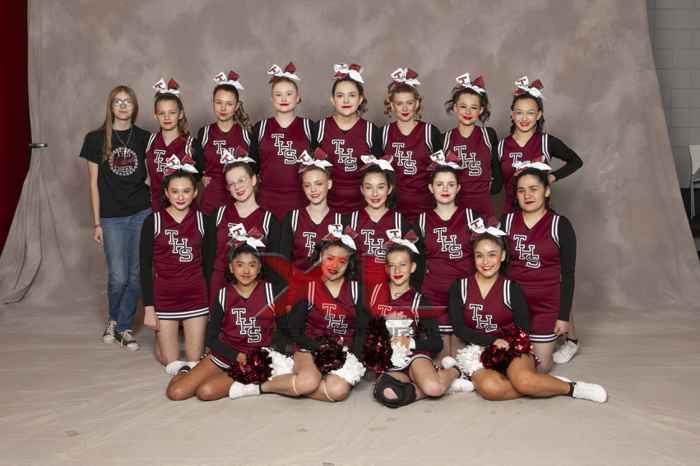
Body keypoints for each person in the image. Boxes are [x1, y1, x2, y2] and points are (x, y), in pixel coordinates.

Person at [445, 222, 606, 402]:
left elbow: (523, 328)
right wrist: (491, 342)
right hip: (477, 349)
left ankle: (571, 388)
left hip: (510, 346)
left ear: (502, 255)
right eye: (479, 255)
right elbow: (459, 328)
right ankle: (544, 385)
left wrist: (504, 345)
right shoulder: (460, 287)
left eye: (492, 254)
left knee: (524, 381)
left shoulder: (511, 288)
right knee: (491, 389)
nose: (485, 262)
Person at [246, 226, 368, 402]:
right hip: (309, 347)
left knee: (338, 391)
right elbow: (296, 331)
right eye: (329, 258)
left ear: (349, 263)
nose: (334, 265)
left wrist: (350, 358)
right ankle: (259, 387)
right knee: (308, 381)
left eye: (342, 261)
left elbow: (362, 331)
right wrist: (320, 348)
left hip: (342, 352)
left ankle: (290, 384)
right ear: (320, 258)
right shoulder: (308, 287)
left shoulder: (357, 290)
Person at [166, 234, 286, 401]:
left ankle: (233, 380)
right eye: (240, 265)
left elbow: (285, 331)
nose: (246, 271)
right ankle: (186, 370)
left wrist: (266, 355)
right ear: (231, 267)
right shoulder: (223, 294)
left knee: (205, 392)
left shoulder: (271, 292)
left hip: (253, 360)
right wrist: (235, 354)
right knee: (176, 393)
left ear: (259, 268)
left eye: (252, 265)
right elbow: (211, 337)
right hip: (225, 354)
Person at [79, 85, 151, 350]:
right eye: (117, 101)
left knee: (136, 274)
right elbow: (93, 184)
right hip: (111, 217)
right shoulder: (95, 139)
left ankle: (123, 327)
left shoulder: (145, 138)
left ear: (135, 106)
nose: (122, 106)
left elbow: (154, 175)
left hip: (141, 212)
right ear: (110, 107)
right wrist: (97, 222)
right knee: (119, 276)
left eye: (127, 101)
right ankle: (113, 319)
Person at [369, 235, 472, 409]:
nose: (397, 270)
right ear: (386, 268)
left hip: (414, 358)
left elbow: (436, 343)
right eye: (392, 265)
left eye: (403, 264)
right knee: (387, 394)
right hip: (389, 361)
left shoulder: (420, 302)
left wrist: (410, 342)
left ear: (413, 267)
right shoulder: (375, 294)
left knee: (434, 388)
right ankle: (435, 382)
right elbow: (365, 331)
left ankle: (455, 371)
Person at [502, 164, 578, 371]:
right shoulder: (507, 221)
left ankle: (566, 342)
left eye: (533, 189)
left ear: (546, 191)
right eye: (521, 190)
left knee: (540, 368)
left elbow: (568, 275)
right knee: (506, 362)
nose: (527, 195)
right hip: (513, 303)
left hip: (546, 304)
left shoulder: (560, 225)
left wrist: (563, 317)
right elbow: (496, 265)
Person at [140, 156, 211, 374]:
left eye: (186, 191)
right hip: (165, 297)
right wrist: (149, 308)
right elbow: (144, 267)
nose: (180, 196)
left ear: (195, 192)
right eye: (175, 191)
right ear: (166, 193)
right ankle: (163, 340)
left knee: (194, 362)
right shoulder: (153, 221)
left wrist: (212, 304)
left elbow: (210, 267)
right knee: (169, 362)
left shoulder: (203, 220)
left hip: (195, 295)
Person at [415, 151, 480, 358]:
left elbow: (487, 255)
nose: (445, 189)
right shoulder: (421, 220)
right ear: (430, 188)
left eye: (451, 184)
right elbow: (414, 262)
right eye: (440, 184)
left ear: (458, 188)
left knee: (463, 359)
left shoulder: (472, 217)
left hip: (464, 293)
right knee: (443, 358)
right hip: (433, 294)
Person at [497, 76, 582, 213]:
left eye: (530, 113)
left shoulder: (546, 142)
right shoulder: (501, 146)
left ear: (538, 115)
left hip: (540, 216)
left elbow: (576, 161)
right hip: (510, 216)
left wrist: (551, 177)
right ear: (512, 114)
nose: (524, 118)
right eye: (519, 113)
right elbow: (494, 184)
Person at [206, 153, 279, 301]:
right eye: (232, 184)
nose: (237, 187)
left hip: (254, 290)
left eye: (241, 180)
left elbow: (273, 267)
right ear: (228, 188)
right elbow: (207, 257)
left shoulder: (269, 220)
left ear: (253, 180)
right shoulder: (218, 215)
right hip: (220, 286)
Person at [249, 63, 315, 221]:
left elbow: (319, 164)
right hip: (266, 199)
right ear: (272, 99)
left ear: (297, 98)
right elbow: (252, 167)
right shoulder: (260, 127)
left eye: (289, 94)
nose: (284, 99)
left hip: (300, 199)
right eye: (278, 94)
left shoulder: (309, 126)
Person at [316, 64, 382, 213]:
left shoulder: (372, 131)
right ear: (332, 99)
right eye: (340, 96)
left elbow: (377, 176)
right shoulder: (319, 128)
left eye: (352, 95)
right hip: (326, 208)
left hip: (363, 208)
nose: (346, 101)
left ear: (360, 99)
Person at [381, 68, 442, 223]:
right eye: (399, 103)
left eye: (409, 103)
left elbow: (441, 172)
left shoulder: (430, 132)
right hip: (393, 208)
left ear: (417, 103)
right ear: (392, 106)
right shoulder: (383, 133)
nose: (405, 108)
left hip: (426, 207)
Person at [442, 73, 501, 217]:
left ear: (481, 110)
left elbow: (497, 172)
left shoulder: (489, 135)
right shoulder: (444, 139)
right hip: (454, 209)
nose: (468, 112)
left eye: (473, 107)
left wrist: (488, 189)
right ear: (455, 108)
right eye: (463, 106)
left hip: (484, 208)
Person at [195, 70, 252, 215]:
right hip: (210, 203)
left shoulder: (247, 133)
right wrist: (201, 177)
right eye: (219, 102)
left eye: (229, 104)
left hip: (239, 202)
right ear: (213, 103)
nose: (223, 108)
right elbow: (196, 164)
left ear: (236, 106)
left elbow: (255, 168)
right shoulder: (204, 132)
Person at [348, 158, 408, 290]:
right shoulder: (350, 221)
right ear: (362, 189)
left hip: (390, 291)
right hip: (357, 291)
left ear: (389, 188)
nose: (375, 193)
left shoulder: (400, 222)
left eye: (380, 187)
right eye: (369, 187)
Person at [145, 78, 198, 212]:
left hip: (185, 213)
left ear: (180, 114)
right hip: (155, 210)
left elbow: (200, 180)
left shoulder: (191, 145)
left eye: (172, 113)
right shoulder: (149, 141)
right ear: (155, 115)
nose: (167, 117)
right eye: (162, 113)